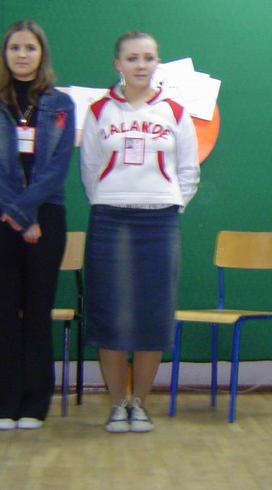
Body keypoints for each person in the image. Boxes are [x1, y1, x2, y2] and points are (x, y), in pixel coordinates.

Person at [80, 31, 199, 433]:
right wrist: (113, 197)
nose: (141, 65)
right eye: (132, 58)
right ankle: (117, 404)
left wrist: (168, 202)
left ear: (157, 63)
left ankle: (140, 405)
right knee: (110, 311)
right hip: (110, 219)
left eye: (148, 57)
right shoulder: (99, 110)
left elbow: (188, 171)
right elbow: (90, 169)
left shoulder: (175, 111)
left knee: (153, 313)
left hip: (159, 221)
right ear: (118, 64)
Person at [0, 20, 75, 430]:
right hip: (0, 215)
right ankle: (0, 404)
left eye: (30, 47)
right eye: (14, 47)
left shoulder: (61, 104)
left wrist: (26, 212)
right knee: (3, 311)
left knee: (37, 311)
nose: (22, 54)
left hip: (45, 215)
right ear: (5, 53)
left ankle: (34, 404)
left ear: (41, 53)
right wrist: (17, 213)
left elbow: (57, 168)